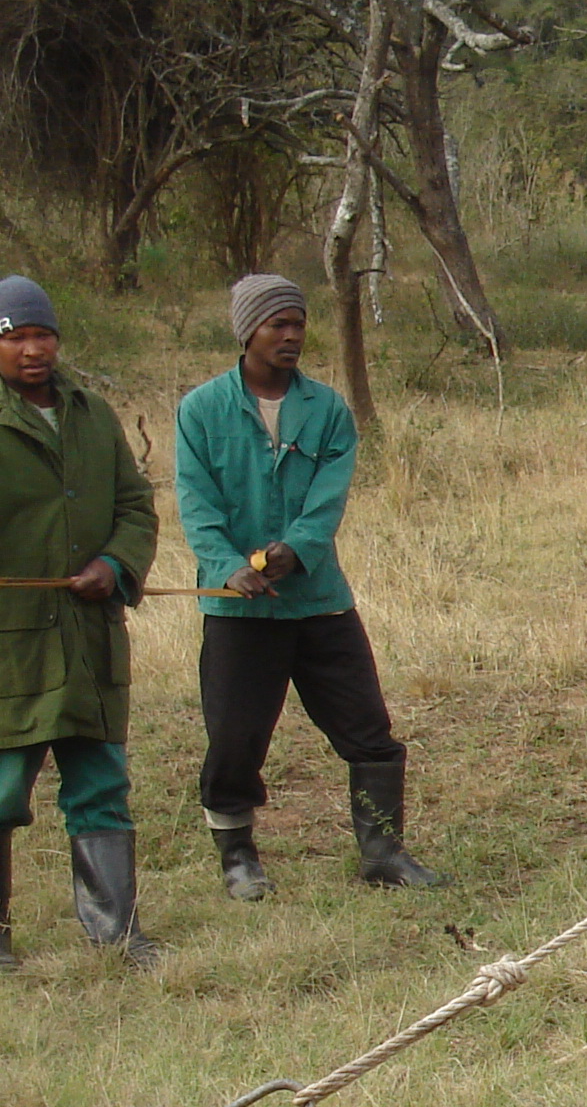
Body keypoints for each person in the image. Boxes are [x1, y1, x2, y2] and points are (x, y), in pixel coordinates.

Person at [175, 274, 443, 898]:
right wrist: (225, 567)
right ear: (247, 331)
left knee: (369, 731)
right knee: (235, 740)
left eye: (298, 322)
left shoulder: (325, 410)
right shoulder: (201, 410)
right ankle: (238, 858)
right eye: (277, 324)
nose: (292, 335)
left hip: (319, 601)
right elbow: (196, 502)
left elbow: (328, 499)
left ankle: (384, 854)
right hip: (237, 612)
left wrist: (295, 551)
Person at [0, 274, 160, 969]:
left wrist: (116, 565)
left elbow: (135, 504)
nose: (32, 349)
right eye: (14, 337)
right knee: (3, 790)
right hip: (10, 644)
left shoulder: (92, 413)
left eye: (42, 334)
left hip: (90, 636)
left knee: (100, 782)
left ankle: (115, 934)